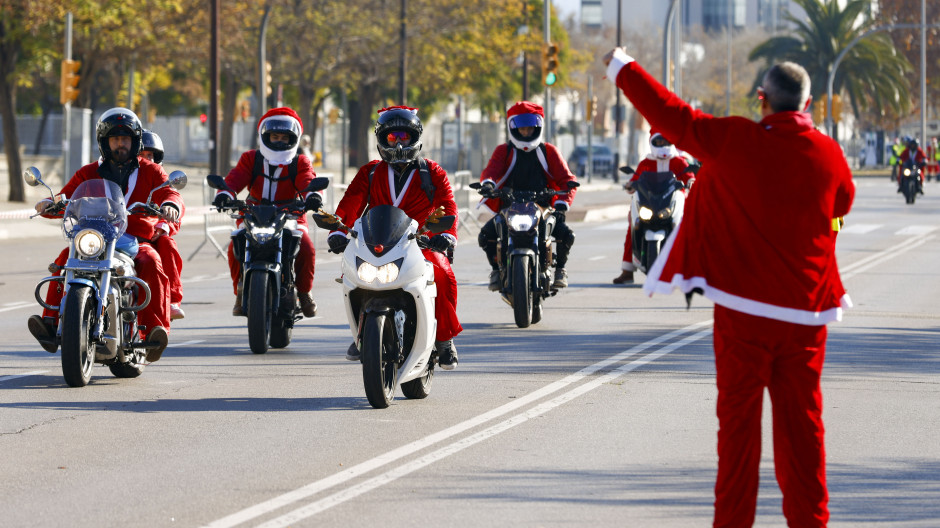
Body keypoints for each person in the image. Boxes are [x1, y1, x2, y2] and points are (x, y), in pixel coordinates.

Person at [604, 48, 855, 527]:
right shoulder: (829, 152)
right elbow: (843, 199)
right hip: (806, 318)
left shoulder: (737, 139)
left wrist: (623, 67)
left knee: (737, 440)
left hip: (743, 317)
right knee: (804, 436)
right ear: (808, 103)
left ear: (762, 99)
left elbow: (673, 116)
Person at [27, 107, 181, 362]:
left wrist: (171, 205)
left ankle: (154, 330)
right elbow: (66, 195)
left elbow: (170, 192)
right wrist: (49, 202)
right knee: (66, 256)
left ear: (135, 141)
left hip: (134, 239)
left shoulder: (152, 171)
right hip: (95, 237)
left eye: (126, 139)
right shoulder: (88, 172)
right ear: (104, 142)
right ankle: (50, 322)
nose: (121, 144)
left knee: (152, 260)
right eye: (115, 139)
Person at [326, 105, 462, 370]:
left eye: (404, 137)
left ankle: (444, 340)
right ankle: (361, 333)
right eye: (392, 138)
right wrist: (337, 231)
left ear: (416, 138)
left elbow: (449, 205)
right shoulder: (370, 172)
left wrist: (446, 234)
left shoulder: (433, 173)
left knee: (444, 274)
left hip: (420, 243)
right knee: (351, 274)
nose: (399, 144)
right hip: (377, 243)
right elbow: (350, 204)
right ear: (381, 140)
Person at [212, 107, 322, 318]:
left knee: (306, 246)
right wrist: (224, 193)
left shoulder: (300, 161)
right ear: (265, 136)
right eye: (274, 136)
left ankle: (305, 292)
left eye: (284, 137)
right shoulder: (250, 158)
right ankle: (240, 291)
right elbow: (235, 178)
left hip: (290, 214)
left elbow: (307, 180)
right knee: (235, 244)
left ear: (294, 138)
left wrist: (312, 197)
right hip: (253, 213)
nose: (279, 141)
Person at [477, 101, 578, 290]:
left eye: (529, 127)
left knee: (567, 235)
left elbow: (567, 179)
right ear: (513, 127)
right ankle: (496, 271)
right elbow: (490, 171)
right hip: (510, 206)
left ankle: (560, 270)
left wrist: (563, 202)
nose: (526, 132)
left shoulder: (549, 151)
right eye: (522, 128)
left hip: (543, 207)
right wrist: (488, 184)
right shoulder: (503, 150)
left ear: (537, 126)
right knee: (485, 236)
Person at [613, 131, 693, 285]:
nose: (662, 146)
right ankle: (627, 271)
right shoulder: (646, 163)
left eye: (666, 141)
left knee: (690, 229)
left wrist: (691, 181)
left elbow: (689, 176)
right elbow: (635, 179)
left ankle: (689, 271)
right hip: (649, 204)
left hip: (673, 206)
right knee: (633, 227)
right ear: (652, 142)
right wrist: (630, 185)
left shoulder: (679, 161)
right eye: (659, 142)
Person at [140, 129, 186, 320]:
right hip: (117, 234)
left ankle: (172, 300)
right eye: (140, 155)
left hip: (150, 237)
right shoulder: (117, 176)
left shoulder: (160, 180)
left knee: (168, 243)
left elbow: (174, 199)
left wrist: (163, 225)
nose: (145, 159)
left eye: (150, 155)